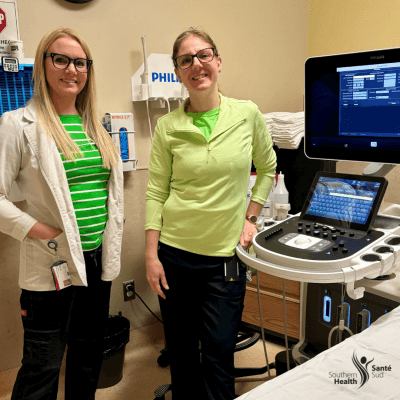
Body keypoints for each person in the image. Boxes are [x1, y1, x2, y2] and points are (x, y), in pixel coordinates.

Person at [145, 28, 276, 400]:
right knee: (183, 355)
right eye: (185, 60)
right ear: (177, 72)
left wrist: (250, 218)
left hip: (224, 260)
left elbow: (268, 167)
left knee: (219, 354)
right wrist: (151, 256)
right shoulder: (168, 127)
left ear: (218, 61)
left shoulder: (247, 114)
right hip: (174, 256)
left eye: (203, 55)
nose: (196, 65)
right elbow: (156, 192)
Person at [0, 28, 124, 399]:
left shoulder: (95, 129)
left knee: (87, 358)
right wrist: (38, 229)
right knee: (43, 366)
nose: (72, 69)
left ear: (89, 70)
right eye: (61, 59)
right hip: (51, 264)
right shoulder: (17, 125)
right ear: (43, 65)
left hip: (97, 263)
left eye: (80, 62)